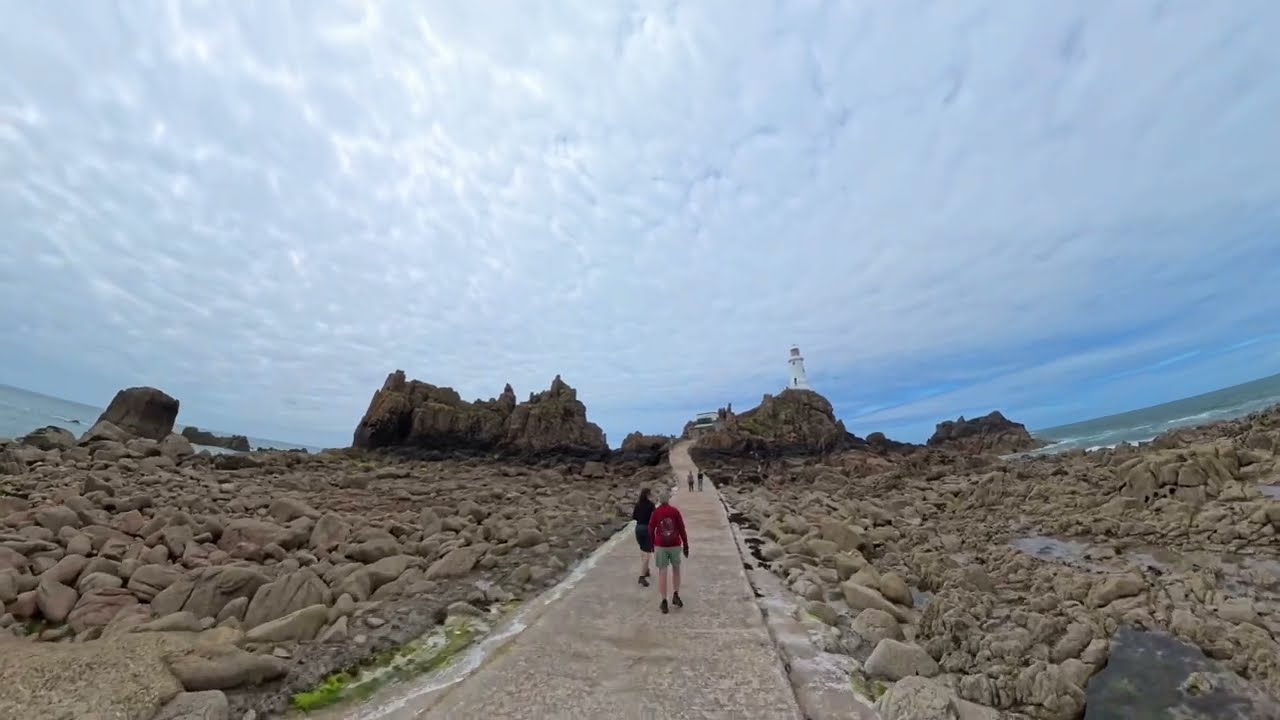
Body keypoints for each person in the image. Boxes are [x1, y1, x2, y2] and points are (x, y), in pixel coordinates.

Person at [648, 487, 689, 613]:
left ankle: (664, 600)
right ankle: (676, 594)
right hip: (675, 544)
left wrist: (652, 544)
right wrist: (686, 544)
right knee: (676, 570)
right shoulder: (675, 511)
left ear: (659, 500)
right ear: (669, 499)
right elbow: (682, 528)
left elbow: (650, 528)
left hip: (661, 545)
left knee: (662, 572)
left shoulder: (656, 513)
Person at [631, 488, 656, 586]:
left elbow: (634, 517)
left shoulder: (638, 505)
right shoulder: (651, 505)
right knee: (647, 554)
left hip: (638, 528)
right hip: (647, 529)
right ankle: (642, 577)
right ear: (648, 495)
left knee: (642, 550)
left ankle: (646, 570)